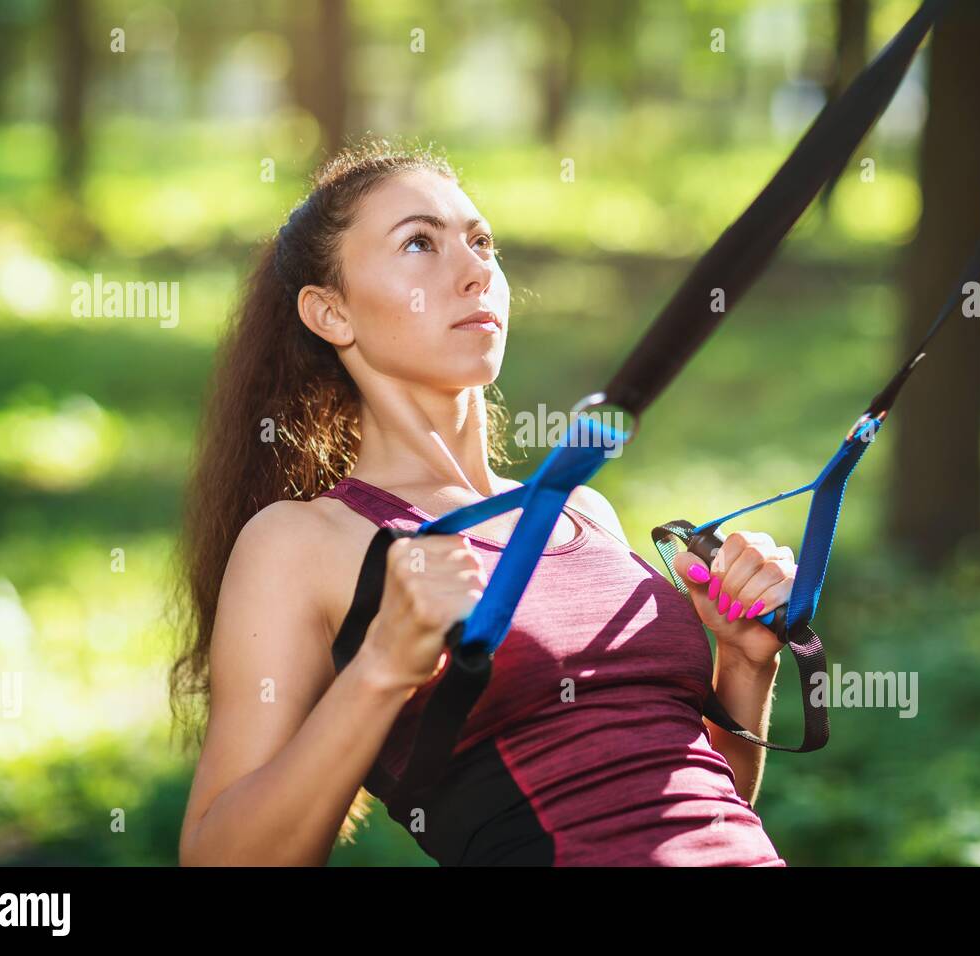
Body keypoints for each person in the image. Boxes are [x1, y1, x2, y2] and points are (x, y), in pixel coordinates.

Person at [172, 137, 799, 866]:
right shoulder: (303, 542)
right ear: (331, 313)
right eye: (419, 244)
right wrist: (380, 667)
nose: (475, 271)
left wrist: (745, 663)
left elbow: (693, 803)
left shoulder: (582, 514)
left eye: (482, 243)